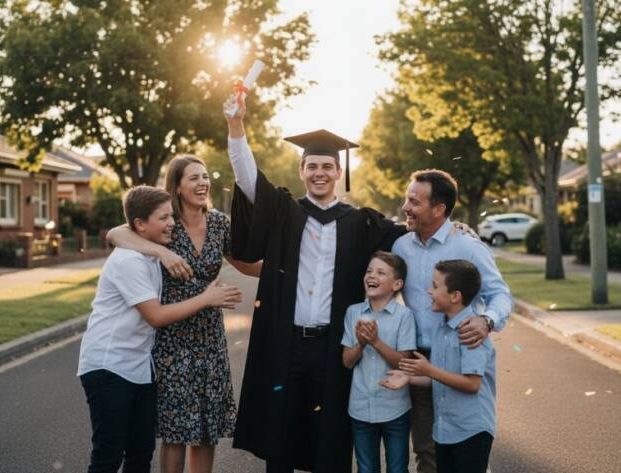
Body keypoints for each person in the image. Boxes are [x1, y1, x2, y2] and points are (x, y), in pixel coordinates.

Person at [224, 95, 409, 472]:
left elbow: (410, 240)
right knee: (280, 433)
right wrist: (235, 125)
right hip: (287, 343)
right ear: (301, 169)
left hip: (333, 346)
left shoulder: (361, 223)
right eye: (312, 166)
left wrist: (455, 231)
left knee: (332, 436)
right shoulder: (285, 212)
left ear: (339, 172)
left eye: (327, 166)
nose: (319, 172)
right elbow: (247, 177)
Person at [105, 157, 261, 473]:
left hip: (210, 339)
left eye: (205, 177)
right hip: (172, 338)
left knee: (205, 430)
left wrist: (287, 268)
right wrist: (162, 251)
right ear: (176, 185)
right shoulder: (165, 222)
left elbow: (244, 263)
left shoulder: (219, 223)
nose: (203, 183)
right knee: (176, 432)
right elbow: (115, 234)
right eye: (193, 178)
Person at [77, 185, 243, 473]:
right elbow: (155, 316)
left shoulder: (154, 253)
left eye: (171, 217)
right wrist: (206, 299)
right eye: (164, 218)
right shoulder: (129, 261)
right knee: (108, 456)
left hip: (140, 368)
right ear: (140, 225)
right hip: (108, 367)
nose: (172, 224)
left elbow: (123, 233)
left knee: (140, 454)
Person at [391, 169, 512, 473]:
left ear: (439, 209)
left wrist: (487, 320)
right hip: (421, 359)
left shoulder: (468, 247)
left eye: (414, 201)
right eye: (407, 198)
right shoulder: (401, 246)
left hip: (460, 357)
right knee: (428, 451)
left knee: (465, 446)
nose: (406, 207)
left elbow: (500, 295)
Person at [382, 259, 496, 473]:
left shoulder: (470, 331)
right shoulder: (441, 329)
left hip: (471, 430)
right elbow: (441, 376)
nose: (429, 291)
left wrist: (429, 370)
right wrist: (410, 377)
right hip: (445, 430)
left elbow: (472, 384)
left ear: (455, 296)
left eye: (435, 286)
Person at [342, 251, 416, 473]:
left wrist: (375, 342)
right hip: (360, 407)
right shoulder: (353, 312)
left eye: (381, 272)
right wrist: (361, 344)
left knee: (397, 468)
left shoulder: (404, 316)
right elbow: (347, 361)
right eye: (369, 271)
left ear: (397, 284)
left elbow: (404, 363)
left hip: (395, 408)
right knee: (366, 468)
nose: (371, 276)